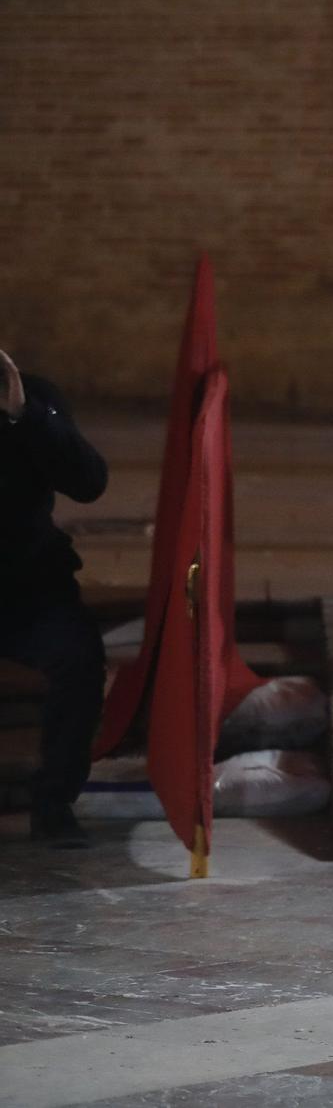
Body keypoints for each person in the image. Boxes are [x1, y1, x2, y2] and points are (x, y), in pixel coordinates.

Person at [0, 351, 109, 847]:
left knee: (79, 657)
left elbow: (89, 483)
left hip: (28, 590)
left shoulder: (34, 399)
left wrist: (25, 414)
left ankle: (54, 804)